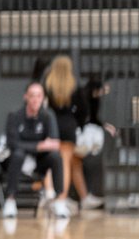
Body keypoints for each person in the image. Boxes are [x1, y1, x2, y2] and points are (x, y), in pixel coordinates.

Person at [2, 82, 69, 219]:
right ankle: (10, 200)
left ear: (43, 98)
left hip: (39, 161)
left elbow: (55, 143)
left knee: (56, 156)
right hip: (18, 160)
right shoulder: (15, 115)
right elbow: (13, 143)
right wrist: (39, 145)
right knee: (18, 154)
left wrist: (35, 146)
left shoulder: (47, 115)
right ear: (26, 97)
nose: (35, 99)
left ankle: (60, 201)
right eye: (32, 95)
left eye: (39, 96)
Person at [42, 55, 98, 210]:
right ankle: (62, 198)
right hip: (68, 127)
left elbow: (43, 107)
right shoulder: (74, 86)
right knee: (65, 164)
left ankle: (51, 194)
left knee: (52, 162)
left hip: (51, 126)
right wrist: (78, 125)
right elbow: (84, 110)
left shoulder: (47, 85)